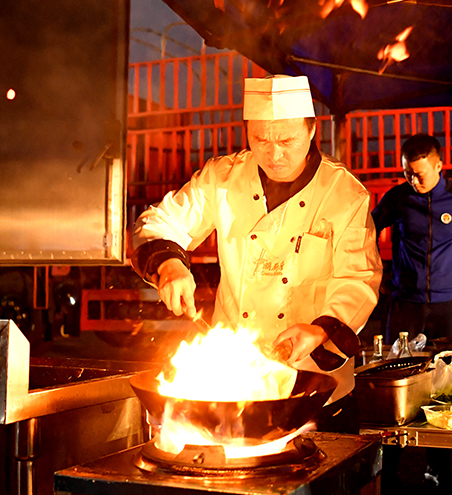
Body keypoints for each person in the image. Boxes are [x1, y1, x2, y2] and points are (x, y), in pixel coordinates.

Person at [131, 74, 382, 433]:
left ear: (311, 131)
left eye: (286, 140)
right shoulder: (222, 178)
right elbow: (159, 221)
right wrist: (169, 264)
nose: (274, 153)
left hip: (313, 389)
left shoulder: (343, 194)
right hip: (235, 390)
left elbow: (358, 278)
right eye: (260, 139)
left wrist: (319, 330)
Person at [372, 133, 452, 344]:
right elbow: (368, 230)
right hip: (405, 304)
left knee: (449, 369)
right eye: (408, 173)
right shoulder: (398, 198)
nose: (414, 181)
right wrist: (375, 270)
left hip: (449, 304)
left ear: (438, 166)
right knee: (397, 368)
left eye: (419, 174)